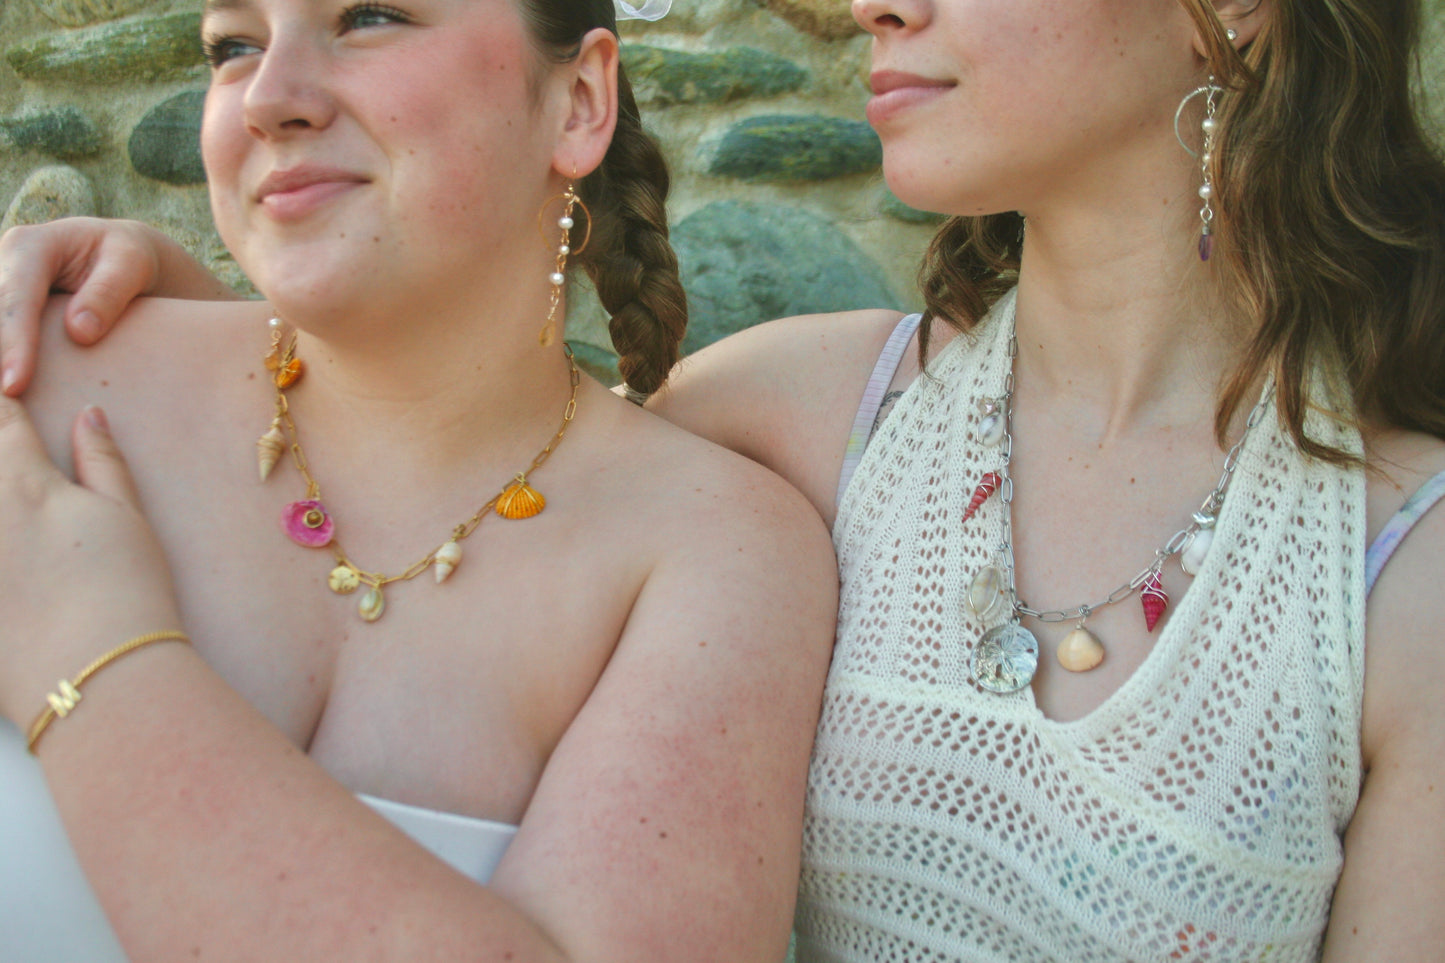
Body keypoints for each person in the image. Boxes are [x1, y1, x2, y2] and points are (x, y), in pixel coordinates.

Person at [5, 0, 1445, 959]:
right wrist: (180, 328)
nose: (873, 1)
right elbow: (472, 449)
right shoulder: (802, 413)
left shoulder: (1403, 576)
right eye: (227, 43)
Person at [0, 0, 839, 959]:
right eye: (234, 46)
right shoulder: (33, 379)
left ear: (575, 101)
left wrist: (94, 656)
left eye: (367, 17)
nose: (267, 98)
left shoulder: (717, 550)